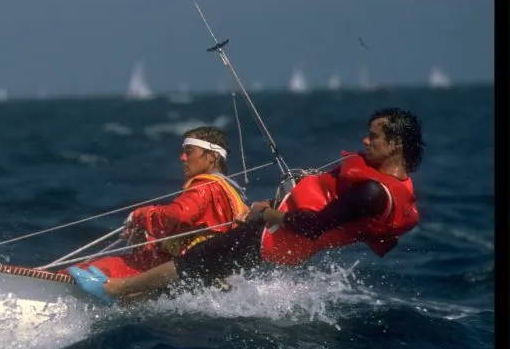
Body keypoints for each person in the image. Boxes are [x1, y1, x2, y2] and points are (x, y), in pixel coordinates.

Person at [71, 107, 423, 305]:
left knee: (194, 261)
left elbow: (313, 225)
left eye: (374, 136)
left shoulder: (373, 193)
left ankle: (115, 290)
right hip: (280, 240)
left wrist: (266, 214)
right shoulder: (395, 186)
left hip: (274, 238)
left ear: (395, 144)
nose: (365, 140)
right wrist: (275, 206)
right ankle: (137, 299)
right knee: (204, 268)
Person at [63, 126, 249, 284]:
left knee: (93, 269)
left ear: (212, 157)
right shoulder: (232, 193)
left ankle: (58, 283)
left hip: (175, 270)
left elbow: (179, 215)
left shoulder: (205, 186)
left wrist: (141, 215)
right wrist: (147, 235)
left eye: (189, 152)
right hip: (200, 272)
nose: (182, 158)